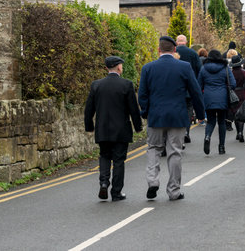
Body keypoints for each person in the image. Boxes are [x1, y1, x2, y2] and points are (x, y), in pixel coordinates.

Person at [138, 36, 205, 201]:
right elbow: (195, 92)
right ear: (174, 50)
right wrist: (201, 115)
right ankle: (174, 191)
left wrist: (146, 112)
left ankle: (152, 181)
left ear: (158, 50)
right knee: (174, 152)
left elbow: (142, 94)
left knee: (153, 148)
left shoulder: (148, 68)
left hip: (156, 116)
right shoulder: (184, 67)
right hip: (177, 116)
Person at [84, 56, 143, 201]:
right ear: (118, 67)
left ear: (106, 68)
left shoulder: (96, 85)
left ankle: (104, 183)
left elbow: (89, 109)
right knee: (118, 160)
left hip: (102, 129)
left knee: (104, 156)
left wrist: (89, 126)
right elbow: (133, 109)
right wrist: (138, 126)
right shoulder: (126, 85)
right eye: (121, 65)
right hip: (121, 130)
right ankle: (116, 192)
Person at [198, 49, 236, 155]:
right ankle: (221, 147)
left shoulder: (203, 68)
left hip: (208, 98)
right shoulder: (225, 68)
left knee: (210, 121)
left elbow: (199, 85)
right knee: (221, 122)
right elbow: (233, 83)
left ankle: (207, 136)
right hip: (222, 98)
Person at [176, 34, 202, 143]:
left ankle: (177, 133)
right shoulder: (193, 53)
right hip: (189, 88)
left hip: (176, 89)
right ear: (186, 42)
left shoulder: (173, 53)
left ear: (177, 42)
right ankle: (186, 131)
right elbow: (199, 69)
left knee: (177, 111)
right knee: (188, 110)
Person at [230, 54, 245, 142]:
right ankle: (241, 132)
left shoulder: (230, 73)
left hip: (233, 94)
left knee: (235, 114)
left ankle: (238, 132)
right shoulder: (244, 72)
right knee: (241, 113)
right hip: (243, 93)